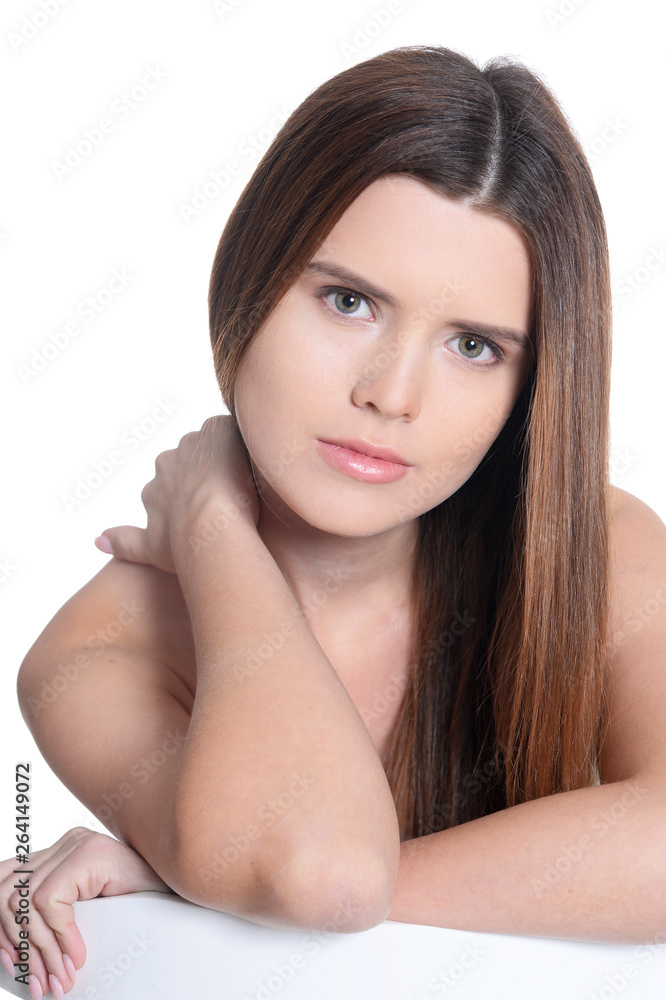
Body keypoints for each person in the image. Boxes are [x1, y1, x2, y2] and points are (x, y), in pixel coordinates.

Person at [2, 43, 666, 1000]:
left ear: (530, 385)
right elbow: (324, 870)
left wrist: (199, 890)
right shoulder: (97, 653)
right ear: (251, 280)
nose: (391, 394)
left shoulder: (593, 552)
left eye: (474, 346)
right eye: (348, 301)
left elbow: (337, 887)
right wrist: (214, 525)